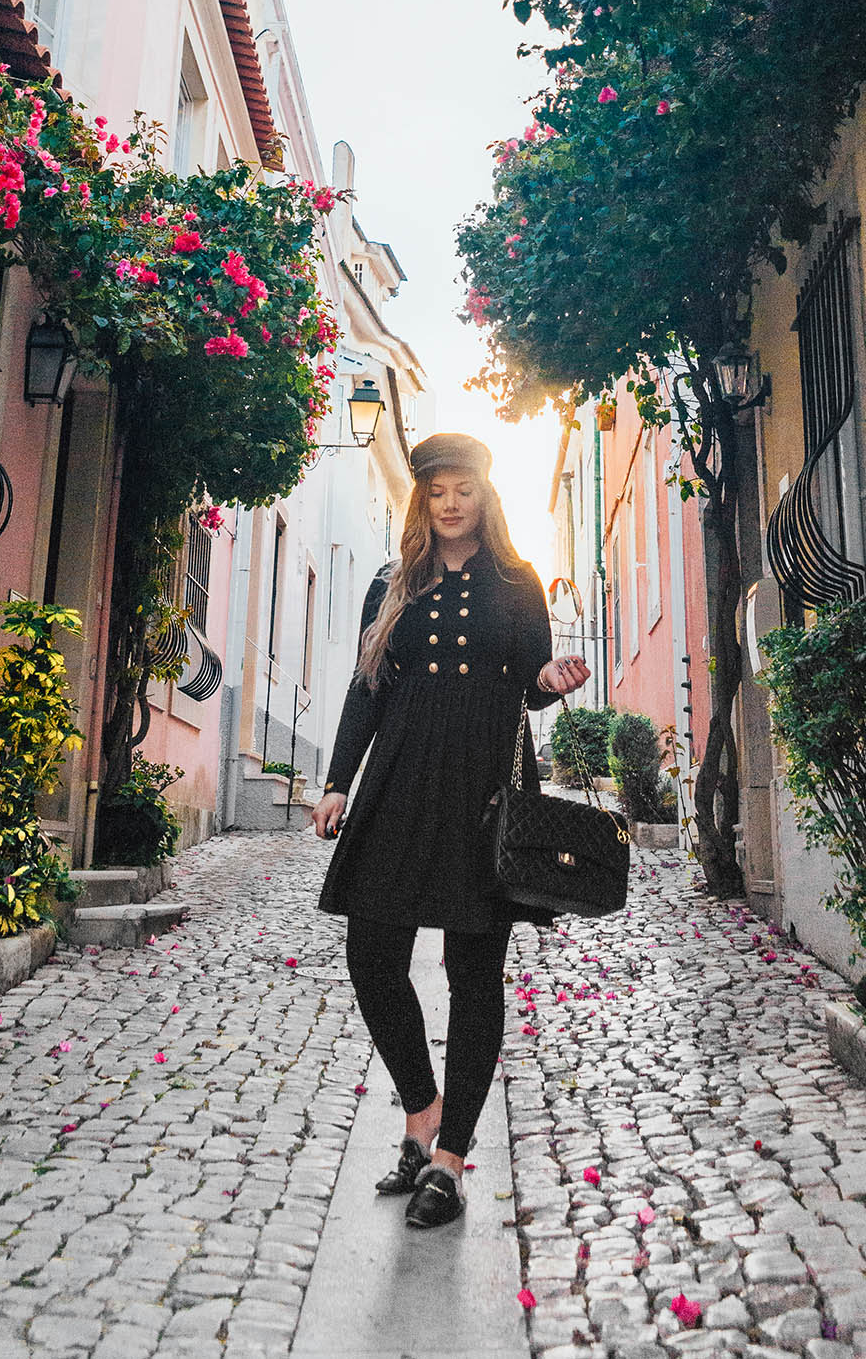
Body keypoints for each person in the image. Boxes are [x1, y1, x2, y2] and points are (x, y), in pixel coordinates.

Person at [310, 432, 590, 1229]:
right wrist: (337, 781)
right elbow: (367, 689)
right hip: (398, 784)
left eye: (463, 487)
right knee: (372, 953)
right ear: (422, 500)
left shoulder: (517, 582)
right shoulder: (392, 584)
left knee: (474, 972)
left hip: (479, 795)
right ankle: (422, 1109)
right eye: (437, 490)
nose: (451, 501)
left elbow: (531, 681)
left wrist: (550, 677)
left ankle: (450, 1159)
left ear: (484, 494)